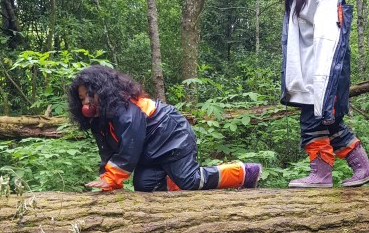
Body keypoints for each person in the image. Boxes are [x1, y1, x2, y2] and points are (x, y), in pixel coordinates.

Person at [67, 65, 262, 192]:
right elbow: (107, 153)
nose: (86, 102)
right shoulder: (99, 121)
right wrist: (109, 182)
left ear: (102, 91)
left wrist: (113, 178)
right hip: (150, 152)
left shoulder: (126, 110)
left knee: (190, 181)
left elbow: (129, 148)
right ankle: (172, 184)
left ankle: (244, 172)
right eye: (82, 98)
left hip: (172, 135)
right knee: (144, 187)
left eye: (90, 96)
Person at [277, 0, 369, 188]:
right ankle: (362, 167)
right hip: (309, 75)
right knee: (330, 125)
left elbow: (328, 39)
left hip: (322, 73)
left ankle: (321, 175)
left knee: (313, 124)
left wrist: (325, 82)